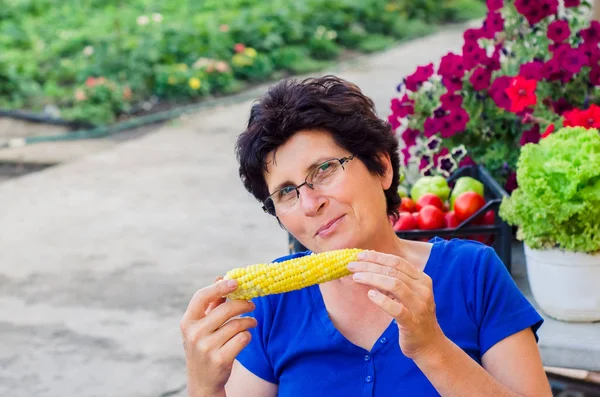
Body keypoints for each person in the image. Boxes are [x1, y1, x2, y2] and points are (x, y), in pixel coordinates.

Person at [180, 76, 552, 397]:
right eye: (287, 192)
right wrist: (204, 387)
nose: (309, 203)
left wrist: (432, 349)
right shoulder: (274, 306)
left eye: (324, 169)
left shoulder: (473, 275)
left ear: (383, 167)